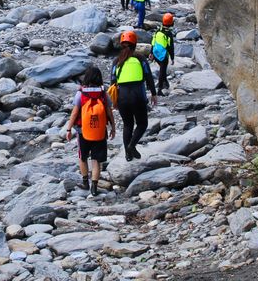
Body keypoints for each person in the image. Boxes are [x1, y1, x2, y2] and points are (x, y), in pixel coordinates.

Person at [65, 66, 116, 196]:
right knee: (96, 160)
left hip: (83, 131)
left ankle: (85, 183)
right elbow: (109, 112)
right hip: (99, 131)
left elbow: (75, 112)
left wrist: (68, 129)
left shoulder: (81, 93)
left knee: (83, 157)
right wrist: (113, 128)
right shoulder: (103, 93)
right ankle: (94, 188)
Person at [111, 30, 157, 161]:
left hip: (122, 97)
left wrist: (115, 101)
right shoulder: (140, 59)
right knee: (142, 124)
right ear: (135, 44)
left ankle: (128, 154)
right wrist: (153, 94)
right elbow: (148, 77)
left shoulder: (116, 61)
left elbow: (113, 81)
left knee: (127, 125)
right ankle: (132, 145)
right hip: (137, 95)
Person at [152, 13, 176, 96]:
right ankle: (159, 89)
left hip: (155, 53)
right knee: (162, 71)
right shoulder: (168, 34)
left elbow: (153, 41)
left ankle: (166, 82)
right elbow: (170, 47)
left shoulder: (158, 30)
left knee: (163, 70)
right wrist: (172, 58)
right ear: (171, 23)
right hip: (163, 55)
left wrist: (151, 53)